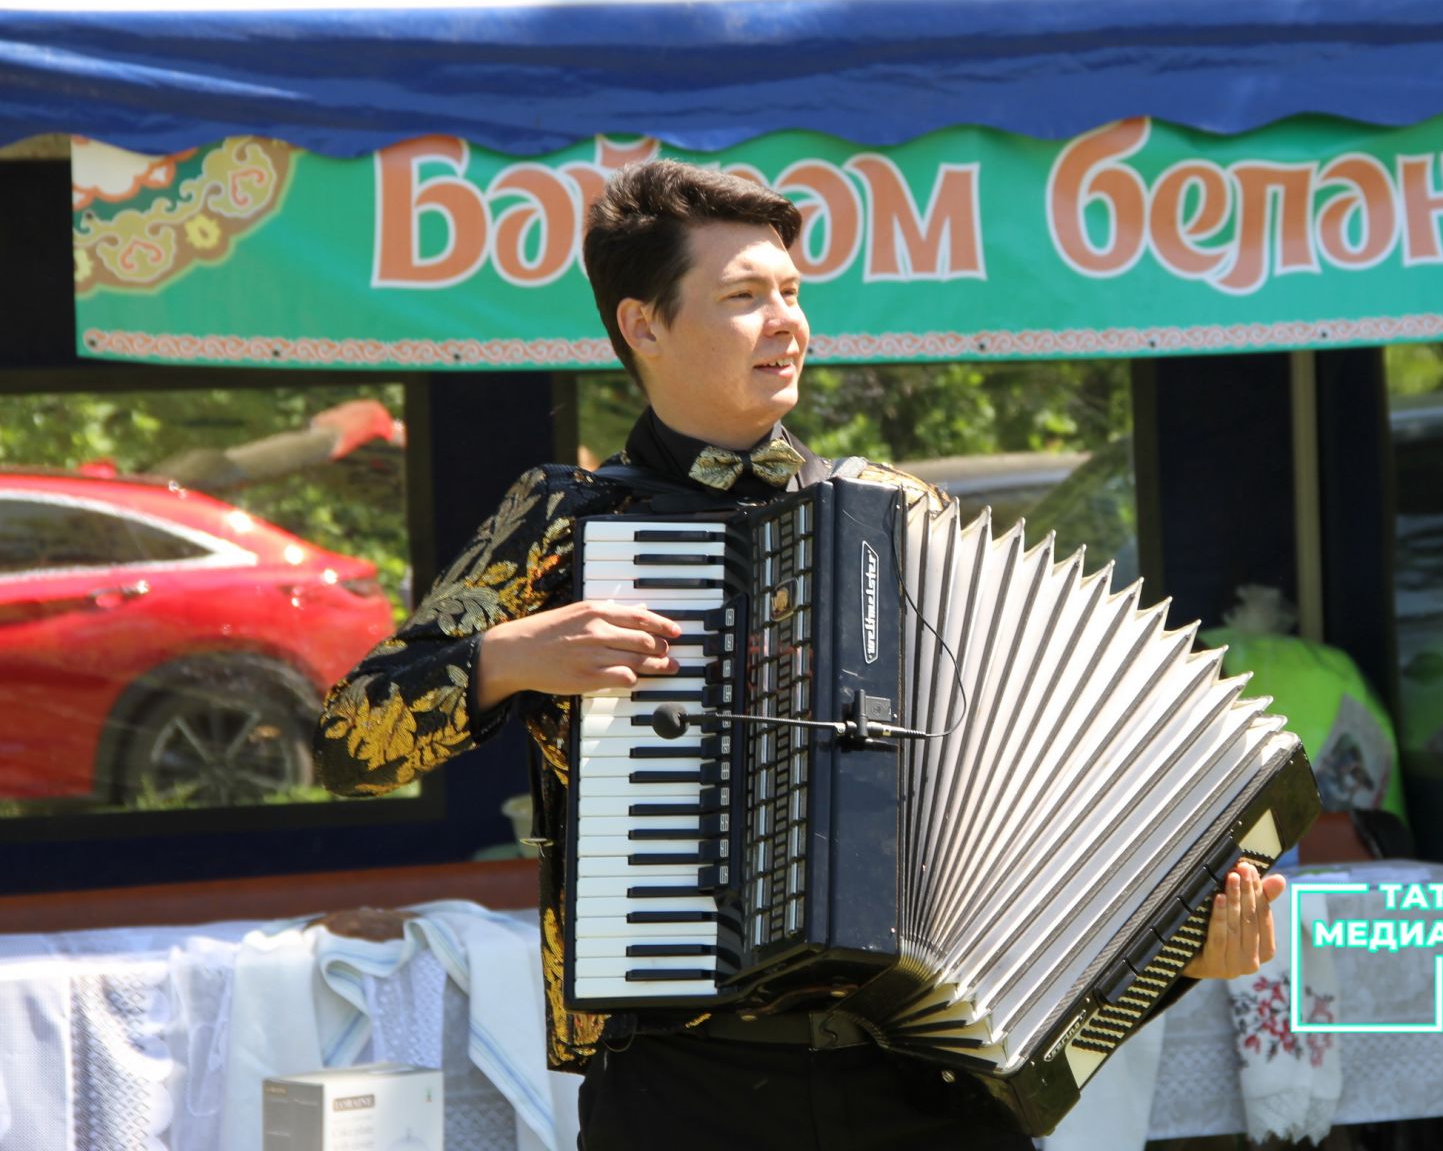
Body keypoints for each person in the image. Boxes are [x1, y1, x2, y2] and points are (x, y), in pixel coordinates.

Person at [314, 160, 1286, 1150]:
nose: (786, 321)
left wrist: (1170, 955)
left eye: (790, 292)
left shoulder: (893, 512)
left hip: (927, 1081)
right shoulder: (566, 518)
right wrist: (508, 655)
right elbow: (350, 744)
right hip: (686, 1090)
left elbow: (1031, 769)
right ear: (642, 324)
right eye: (743, 298)